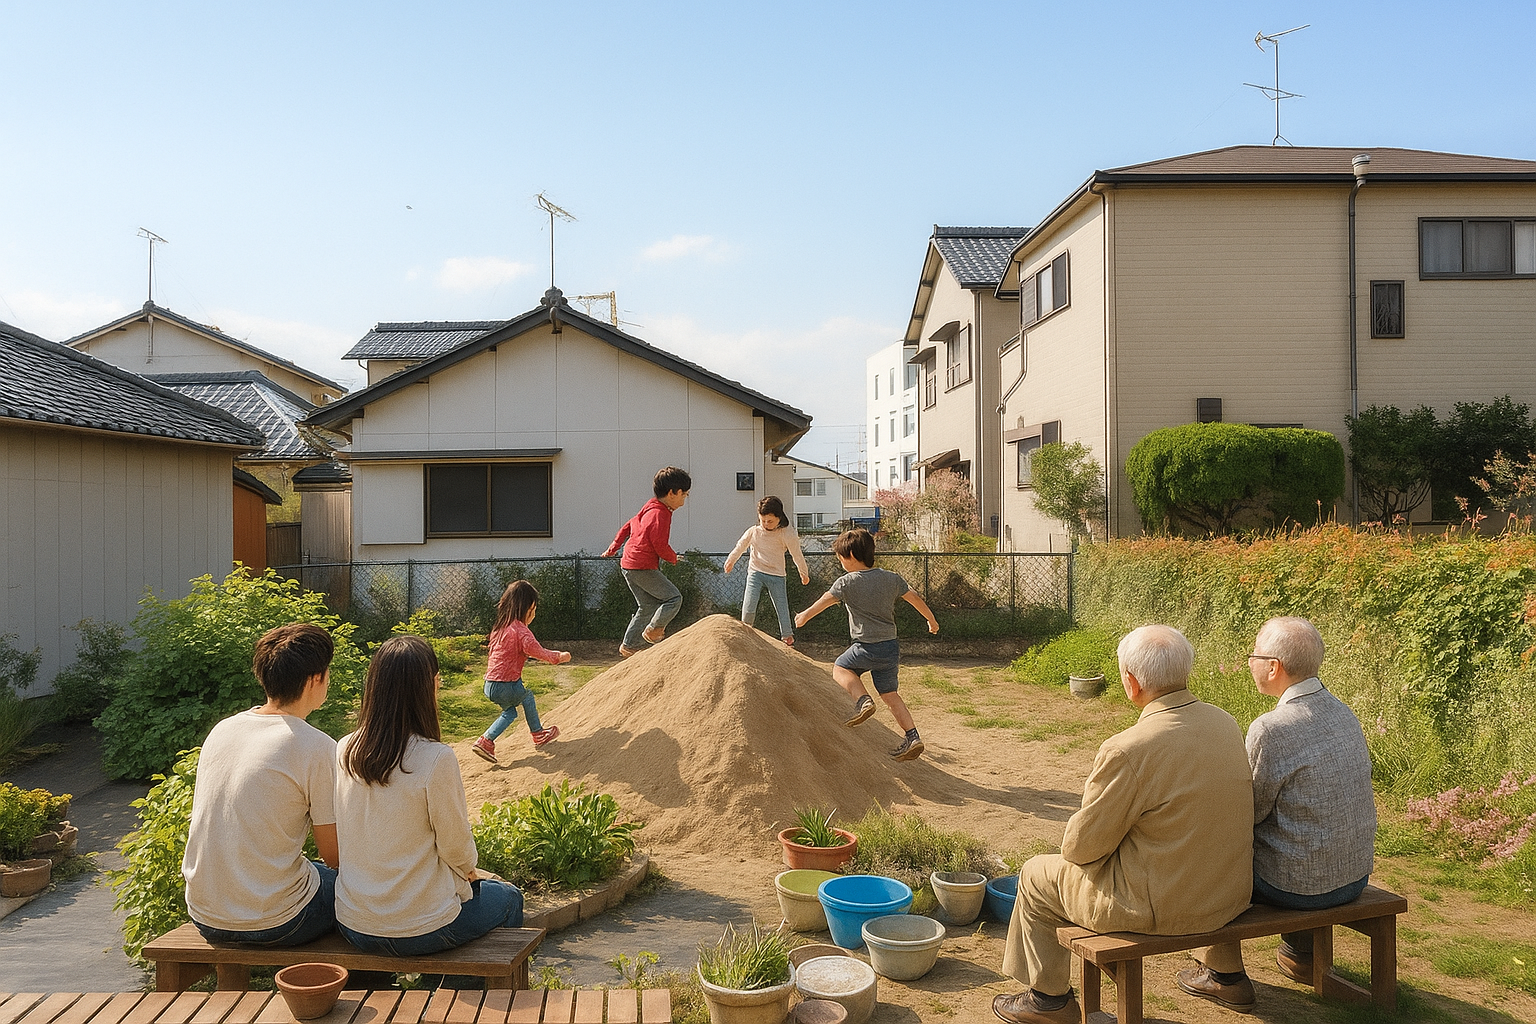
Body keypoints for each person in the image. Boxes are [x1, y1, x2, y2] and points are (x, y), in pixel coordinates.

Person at [993, 625, 1254, 1024]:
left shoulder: (1128, 748)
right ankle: (1226, 974)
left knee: (1035, 874)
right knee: (1190, 843)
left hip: (1157, 906)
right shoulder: (1226, 723)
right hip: (1225, 894)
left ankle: (1048, 1001)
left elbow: (1081, 849)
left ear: (1131, 683)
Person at [1178, 616, 1377, 1011]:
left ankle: (1224, 976)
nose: (1249, 661)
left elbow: (1247, 812)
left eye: (1254, 654)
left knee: (1211, 853)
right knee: (1304, 835)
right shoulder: (1343, 712)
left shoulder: (1272, 727)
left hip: (1300, 888)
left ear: (1274, 667)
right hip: (1352, 876)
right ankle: (1301, 956)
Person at [335, 635, 523, 955]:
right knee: (509, 898)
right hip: (419, 927)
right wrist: (470, 871)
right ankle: (464, 995)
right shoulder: (435, 758)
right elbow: (457, 849)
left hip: (353, 922)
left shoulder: (344, 748)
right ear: (432, 685)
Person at [181, 623, 340, 946]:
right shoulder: (316, 747)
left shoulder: (223, 730)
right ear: (316, 679)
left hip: (204, 914)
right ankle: (361, 990)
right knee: (365, 900)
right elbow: (334, 854)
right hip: (279, 920)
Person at [793, 527, 938, 761]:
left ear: (849, 556)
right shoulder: (891, 578)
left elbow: (825, 601)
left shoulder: (846, 582)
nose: (840, 562)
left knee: (841, 668)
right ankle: (912, 737)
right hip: (890, 647)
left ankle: (863, 700)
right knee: (890, 694)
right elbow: (915, 598)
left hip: (866, 646)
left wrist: (804, 616)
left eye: (840, 557)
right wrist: (931, 620)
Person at [471, 580, 570, 764]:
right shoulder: (520, 631)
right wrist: (559, 656)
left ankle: (485, 741)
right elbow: (540, 652)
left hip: (489, 685)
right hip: (506, 685)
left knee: (510, 713)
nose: (533, 614)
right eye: (533, 610)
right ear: (527, 608)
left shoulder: (499, 628)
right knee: (526, 696)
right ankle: (538, 734)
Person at [603, 466, 691, 658]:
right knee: (673, 598)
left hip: (628, 565)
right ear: (671, 493)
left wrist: (614, 547)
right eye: (684, 494)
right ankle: (654, 630)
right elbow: (658, 542)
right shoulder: (661, 513)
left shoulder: (649, 507)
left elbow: (628, 526)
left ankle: (629, 645)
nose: (685, 498)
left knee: (647, 606)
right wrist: (673, 557)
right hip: (641, 566)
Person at [723, 495, 811, 645]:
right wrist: (730, 560)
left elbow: (797, 554)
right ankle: (746, 631)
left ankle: (787, 636)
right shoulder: (754, 531)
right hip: (756, 572)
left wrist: (803, 573)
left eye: (770, 521)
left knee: (781, 605)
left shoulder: (787, 533)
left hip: (777, 574)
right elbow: (740, 546)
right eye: (762, 520)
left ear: (779, 518)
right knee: (749, 603)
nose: (765, 524)